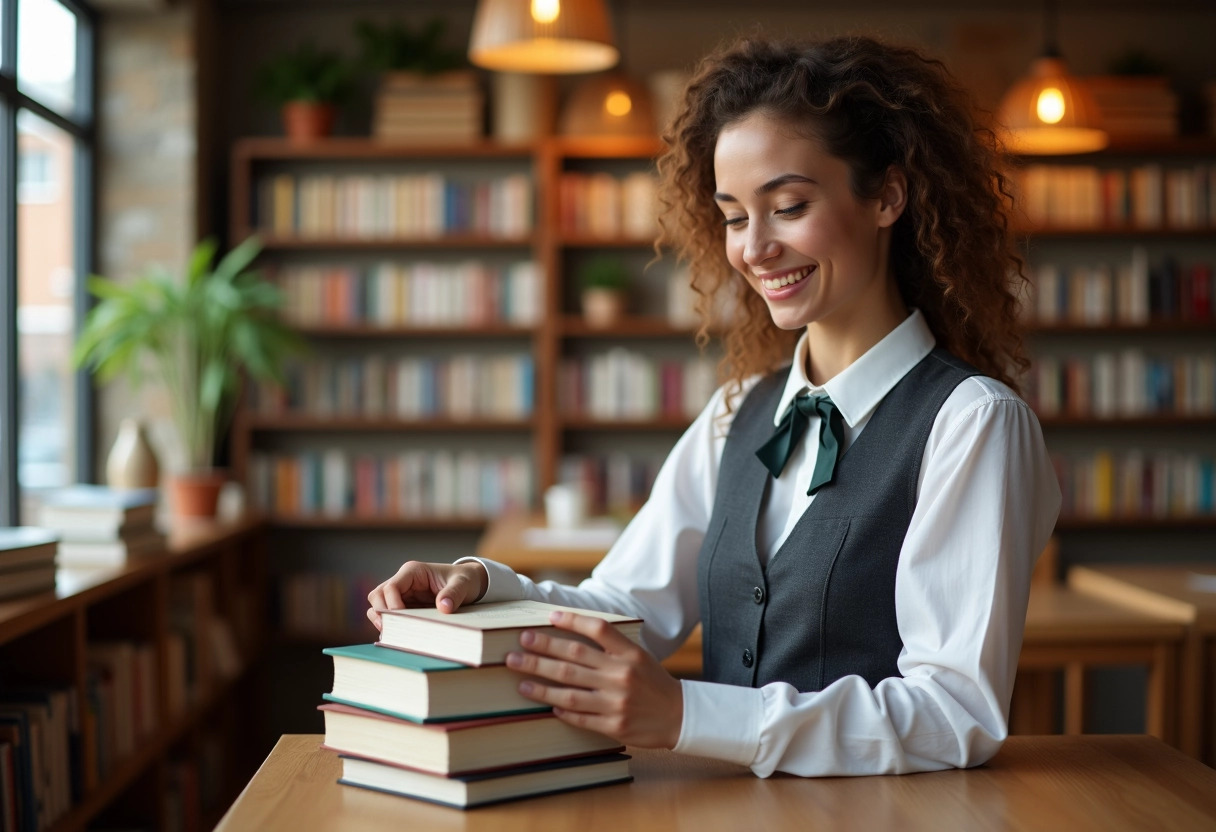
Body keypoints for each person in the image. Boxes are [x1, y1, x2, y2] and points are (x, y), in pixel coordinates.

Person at [367, 34, 1060, 778]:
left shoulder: (973, 421)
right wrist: (482, 587)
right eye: (733, 217)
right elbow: (623, 605)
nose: (756, 248)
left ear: (888, 195)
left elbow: (954, 715)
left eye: (787, 205)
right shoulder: (738, 411)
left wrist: (688, 715)